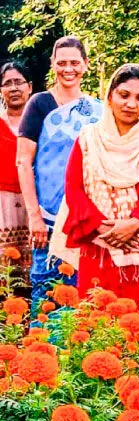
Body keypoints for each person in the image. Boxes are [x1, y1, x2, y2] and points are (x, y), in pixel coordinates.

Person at [49, 63, 139, 314]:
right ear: (110, 96)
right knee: (101, 322)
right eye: (124, 95)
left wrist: (135, 222)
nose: (131, 104)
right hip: (100, 243)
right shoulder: (89, 139)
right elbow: (73, 188)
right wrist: (100, 225)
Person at [17, 37, 103, 312]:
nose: (69, 69)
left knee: (87, 297)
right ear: (53, 64)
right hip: (50, 218)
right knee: (48, 296)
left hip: (89, 218)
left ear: (86, 65)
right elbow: (23, 162)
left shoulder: (98, 110)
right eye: (62, 62)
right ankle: (42, 354)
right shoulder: (40, 104)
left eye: (75, 63)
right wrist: (35, 217)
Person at [1, 62, 33, 285]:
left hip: (34, 201)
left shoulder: (43, 121)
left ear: (29, 86)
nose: (13, 88)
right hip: (2, 202)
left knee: (33, 267)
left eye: (18, 82)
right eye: (7, 83)